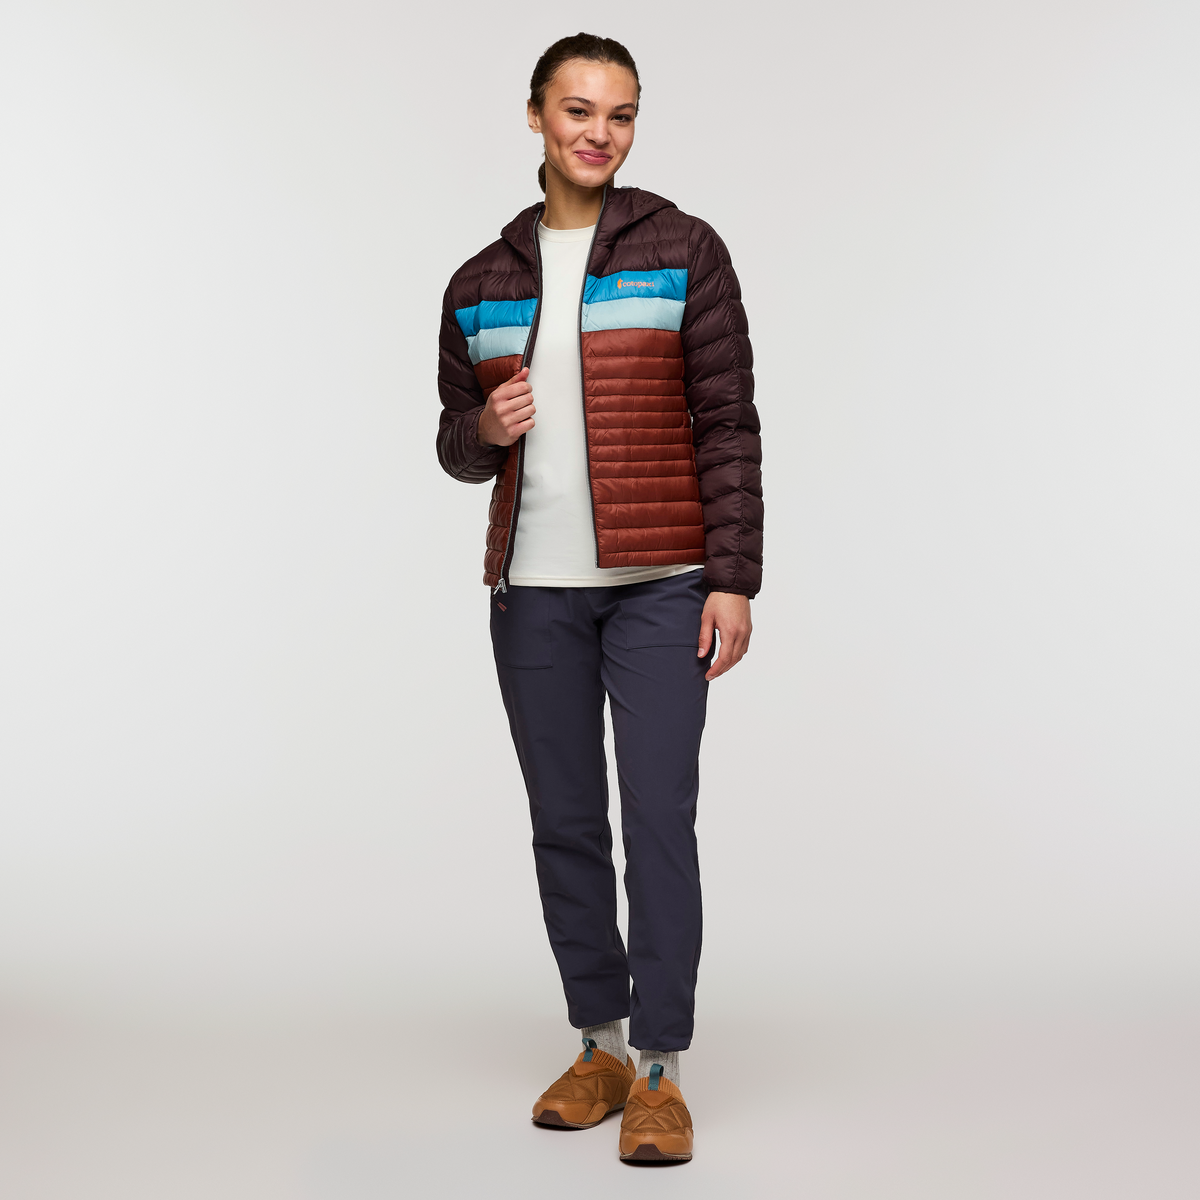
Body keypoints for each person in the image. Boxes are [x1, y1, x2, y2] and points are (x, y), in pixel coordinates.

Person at [436, 32, 762, 1164]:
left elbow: (728, 422)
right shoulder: (480, 280)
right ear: (535, 116)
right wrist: (484, 427)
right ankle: (599, 1047)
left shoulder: (684, 250)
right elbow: (454, 443)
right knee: (566, 822)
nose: (599, 133)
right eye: (578, 110)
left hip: (662, 585)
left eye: (620, 114)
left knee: (657, 819)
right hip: (533, 594)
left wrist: (733, 578)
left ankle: (661, 1067)